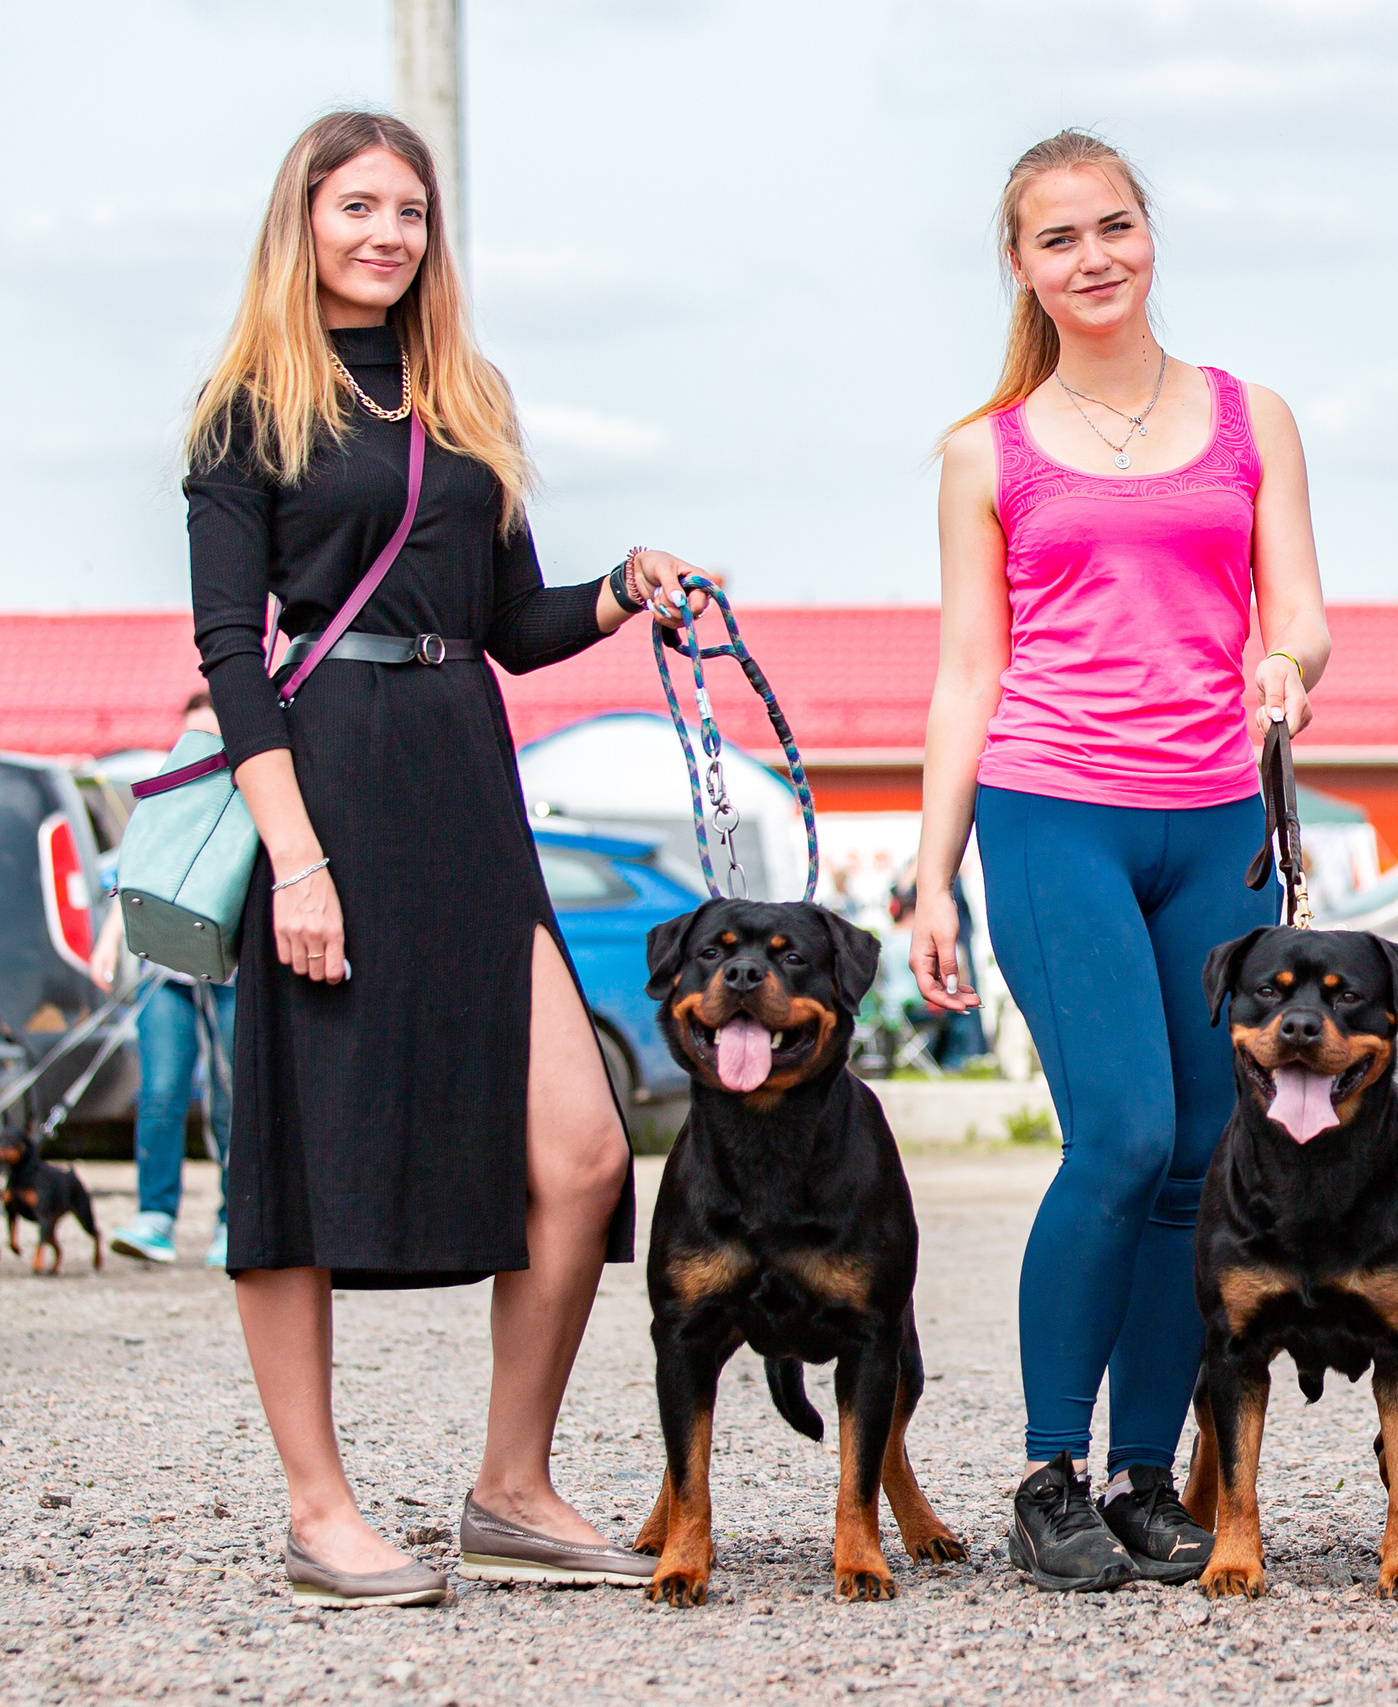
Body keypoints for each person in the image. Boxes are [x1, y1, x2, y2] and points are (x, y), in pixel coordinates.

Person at [186, 111, 712, 1608]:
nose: (386, 234)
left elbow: (510, 624)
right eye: (357, 206)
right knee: (297, 1154)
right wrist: (297, 859)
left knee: (586, 1145)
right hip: (328, 782)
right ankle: (319, 1505)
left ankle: (512, 1487)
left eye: (409, 210)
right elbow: (233, 650)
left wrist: (620, 590)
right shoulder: (248, 406)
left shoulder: (462, 397)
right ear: (305, 219)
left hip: (472, 787)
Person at [912, 130, 1330, 1591]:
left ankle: (1151, 1473)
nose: (1093, 257)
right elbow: (969, 671)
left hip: (1219, 815)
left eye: (1114, 227)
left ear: (1151, 234)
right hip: (1055, 810)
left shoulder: (1247, 413)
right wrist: (929, 877)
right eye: (1057, 239)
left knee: (1204, 1163)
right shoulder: (991, 446)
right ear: (1022, 266)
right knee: (1121, 1138)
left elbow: (1305, 613)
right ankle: (1049, 1469)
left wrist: (1283, 665)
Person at [99, 693, 239, 1269]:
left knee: (236, 1093)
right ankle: (155, 1216)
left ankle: (237, 1219)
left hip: (231, 968)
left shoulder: (249, 793)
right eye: (191, 739)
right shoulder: (164, 795)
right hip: (166, 968)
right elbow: (140, 868)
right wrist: (111, 940)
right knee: (160, 1091)